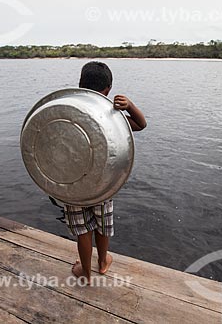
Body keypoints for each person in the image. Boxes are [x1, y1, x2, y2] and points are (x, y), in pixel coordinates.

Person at [64, 61, 147, 284]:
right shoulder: (111, 115)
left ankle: (85, 273)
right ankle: (102, 262)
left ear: (80, 85)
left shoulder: (69, 109)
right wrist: (129, 105)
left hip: (73, 186)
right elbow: (140, 125)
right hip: (103, 184)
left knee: (83, 231)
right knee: (102, 225)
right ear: (108, 89)